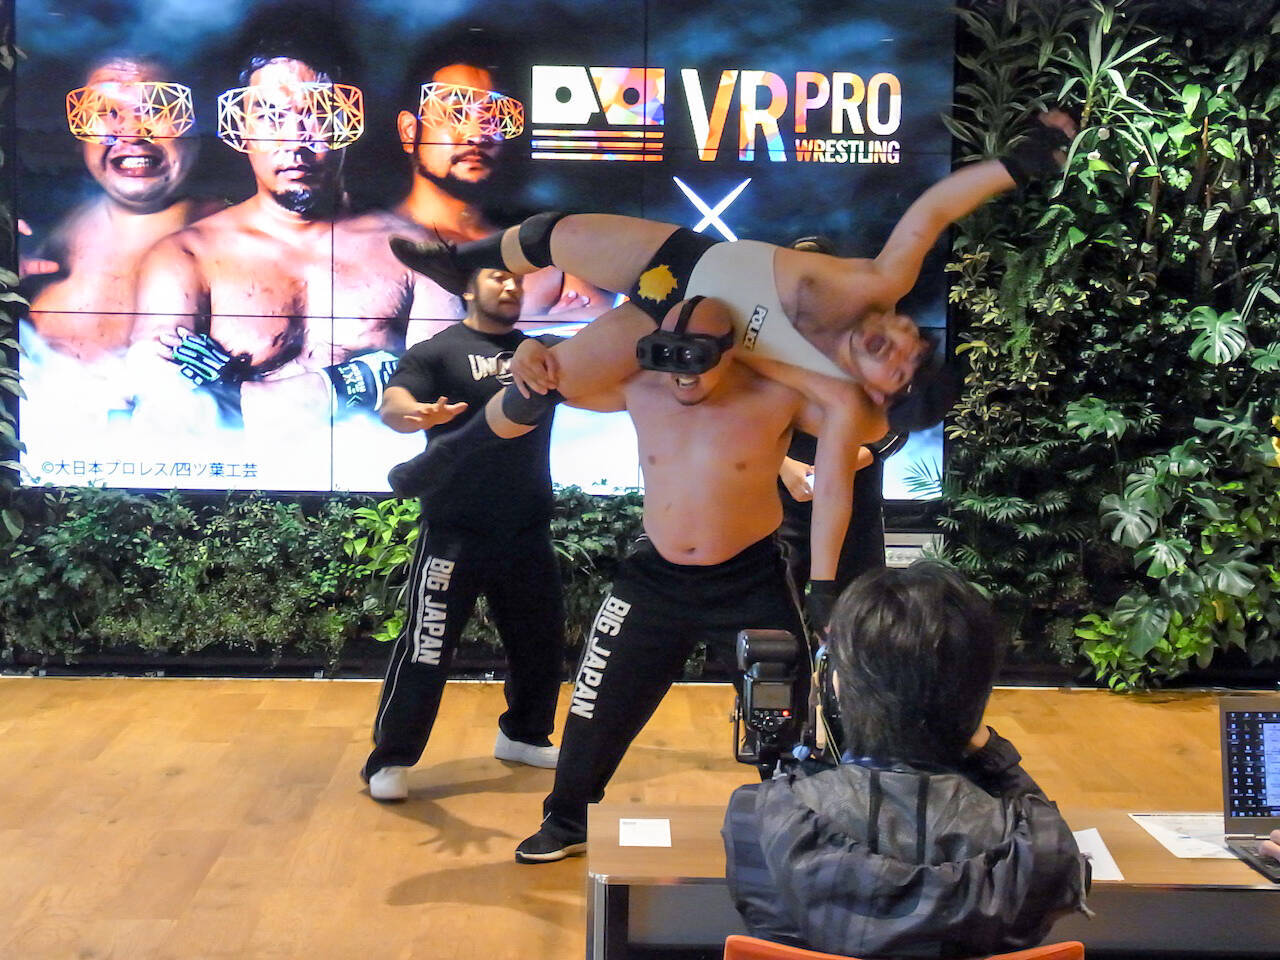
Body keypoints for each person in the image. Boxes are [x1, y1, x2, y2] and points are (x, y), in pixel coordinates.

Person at [512, 295, 846, 863]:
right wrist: (532, 348)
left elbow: (855, 426)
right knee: (597, 701)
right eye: (668, 357)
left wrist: (825, 584)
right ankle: (567, 819)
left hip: (749, 579)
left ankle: (794, 823)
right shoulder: (639, 388)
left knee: (782, 712)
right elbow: (554, 378)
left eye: (698, 358)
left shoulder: (776, 395)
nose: (682, 375)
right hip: (653, 579)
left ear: (732, 350)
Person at [721, 561, 1090, 958]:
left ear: (838, 685)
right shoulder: (1038, 852)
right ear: (977, 689)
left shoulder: (755, 818)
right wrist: (990, 750)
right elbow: (1052, 839)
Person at [128, 5, 461, 437]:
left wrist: (244, 394)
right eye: (271, 116)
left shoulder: (417, 255)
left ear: (347, 121)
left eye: (316, 113)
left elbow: (445, 396)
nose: (295, 141)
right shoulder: (187, 256)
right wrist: (366, 380)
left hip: (374, 475)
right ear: (241, 127)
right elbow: (164, 407)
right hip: (237, 476)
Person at [362, 268, 566, 802]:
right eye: (498, 277)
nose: (512, 287)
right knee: (427, 647)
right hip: (455, 528)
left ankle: (524, 735)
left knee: (540, 643)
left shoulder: (540, 352)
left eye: (518, 279)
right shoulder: (438, 352)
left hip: (526, 526)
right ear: (469, 290)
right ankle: (391, 758)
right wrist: (414, 414)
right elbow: (393, 404)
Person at [393, 34, 609, 320]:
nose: (478, 134)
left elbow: (601, 326)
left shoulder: (548, 249)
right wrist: (538, 326)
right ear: (410, 131)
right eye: (455, 112)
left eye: (494, 116)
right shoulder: (363, 243)